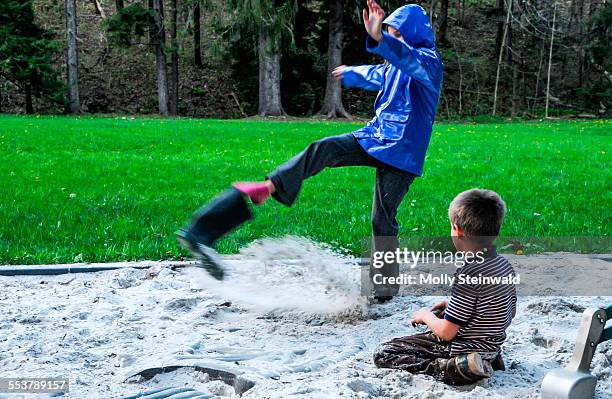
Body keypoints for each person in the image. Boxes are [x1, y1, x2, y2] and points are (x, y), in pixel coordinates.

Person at [176, 0, 444, 301]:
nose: (393, 38)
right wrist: (353, 72)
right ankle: (271, 185)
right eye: (390, 33)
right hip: (375, 136)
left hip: (403, 153)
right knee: (324, 148)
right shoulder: (394, 65)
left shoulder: (429, 63)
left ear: (413, 34)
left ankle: (383, 289)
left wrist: (381, 39)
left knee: (382, 219)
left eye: (398, 33)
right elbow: (379, 75)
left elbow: (408, 60)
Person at [373, 189, 517, 385]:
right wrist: (455, 307)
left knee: (385, 352)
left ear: (457, 230)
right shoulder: (503, 266)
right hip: (491, 344)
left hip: (461, 347)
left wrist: (426, 315)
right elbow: (507, 310)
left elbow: (446, 332)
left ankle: (455, 368)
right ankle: (486, 359)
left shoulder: (469, 273)